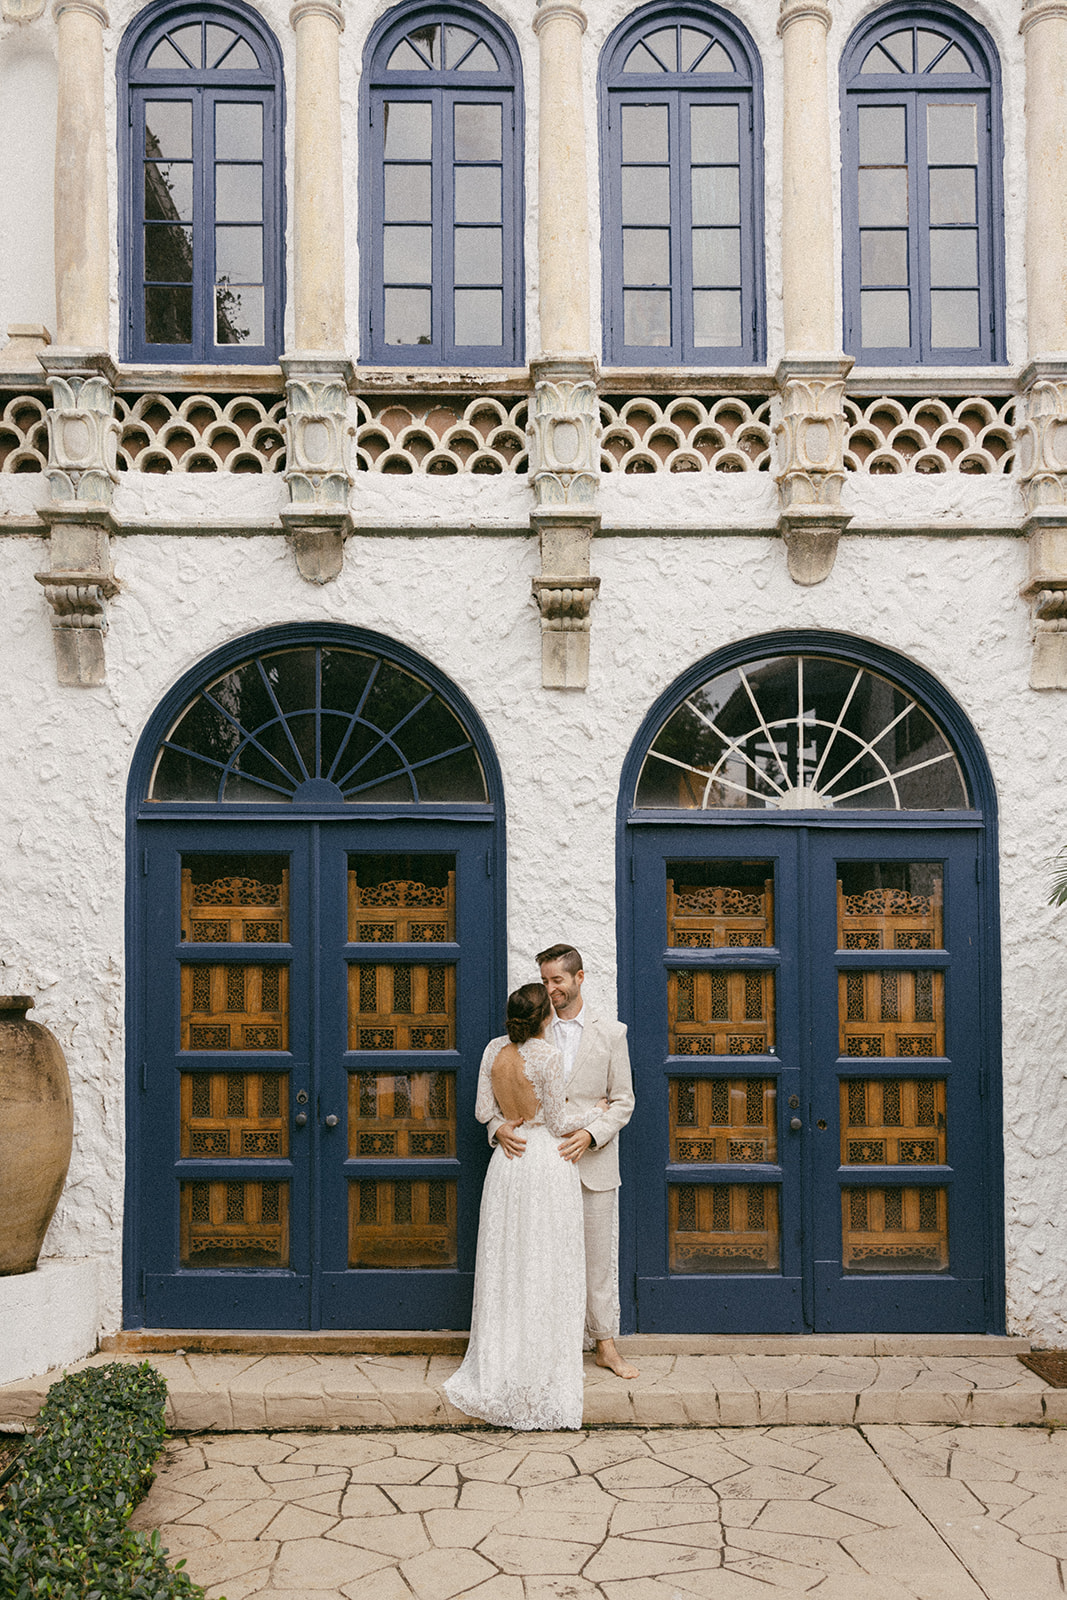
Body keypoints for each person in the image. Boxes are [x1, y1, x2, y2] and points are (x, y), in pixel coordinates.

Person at [481, 943, 639, 1382]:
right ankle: (548, 1349)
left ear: (580, 978)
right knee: (536, 1261)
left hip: (591, 1166)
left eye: (558, 980)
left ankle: (605, 1344)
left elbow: (623, 1102)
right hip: (536, 1167)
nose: (551, 989)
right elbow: (502, 1096)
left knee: (595, 1261)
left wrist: (591, 1134)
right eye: (545, 980)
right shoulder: (530, 1029)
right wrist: (497, 1129)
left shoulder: (612, 1033)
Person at [443, 983, 592, 1430]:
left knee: (509, 1260)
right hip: (544, 1160)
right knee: (544, 1261)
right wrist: (595, 1111)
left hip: (508, 1163)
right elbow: (561, 1120)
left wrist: (501, 1127)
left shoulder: (493, 1049)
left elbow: (481, 1110)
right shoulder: (547, 1056)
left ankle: (504, 1356)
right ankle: (537, 1362)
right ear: (546, 1016)